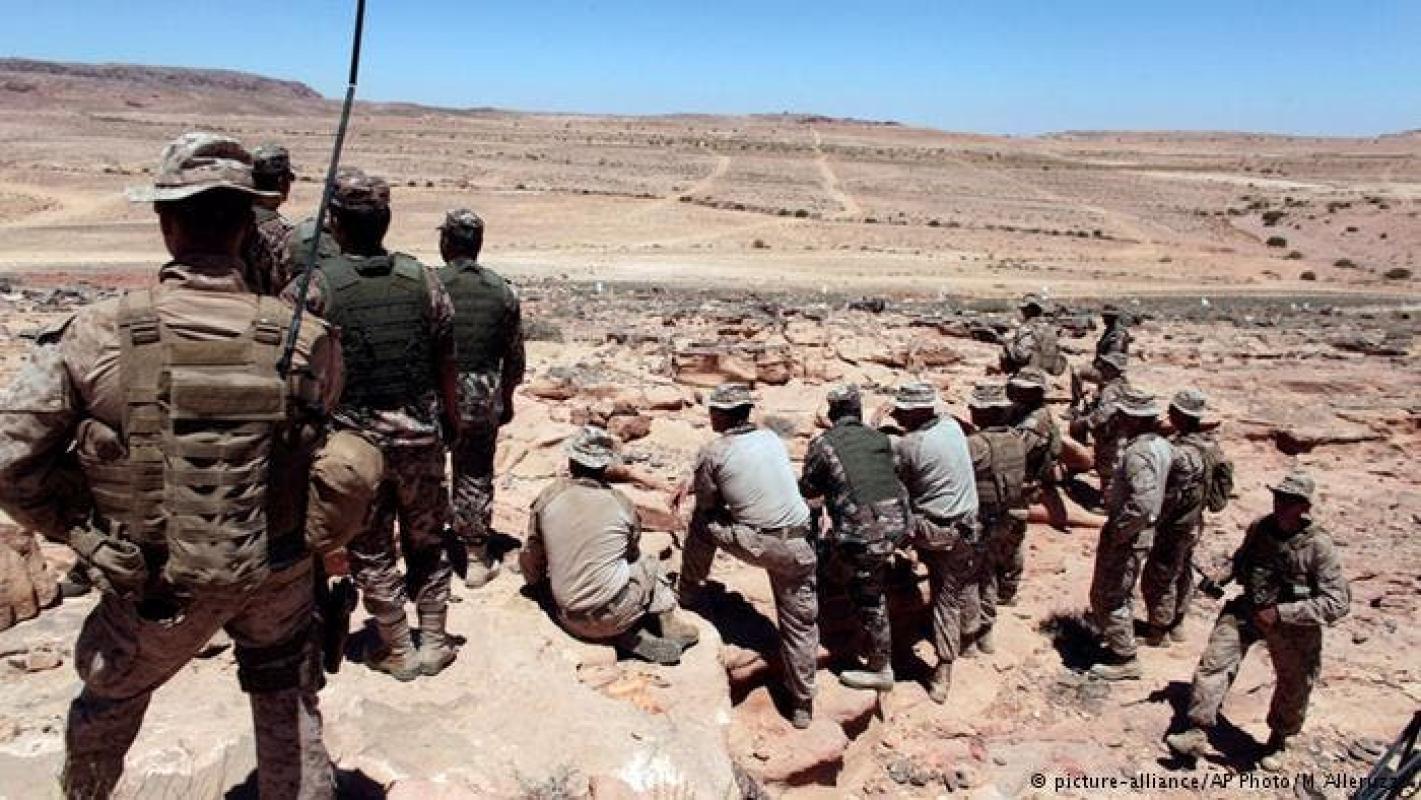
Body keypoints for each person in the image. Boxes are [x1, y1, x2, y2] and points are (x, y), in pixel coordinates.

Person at [0, 132, 349, 799]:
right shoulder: (305, 336)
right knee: (287, 703)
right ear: (248, 226)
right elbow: (316, 438)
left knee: (108, 702)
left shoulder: (95, 333)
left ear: (166, 223)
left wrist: (84, 535)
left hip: (154, 581)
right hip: (274, 569)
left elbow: (11, 464)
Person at [285, 168, 462, 681]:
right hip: (420, 438)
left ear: (335, 223)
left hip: (354, 448)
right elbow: (446, 358)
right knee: (427, 540)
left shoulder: (314, 288)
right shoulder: (423, 279)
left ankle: (396, 646)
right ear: (385, 220)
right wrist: (451, 420)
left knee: (371, 545)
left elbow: (292, 367)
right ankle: (434, 640)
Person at [1166, 471, 1349, 772]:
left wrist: (1282, 613)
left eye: (1290, 501)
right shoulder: (1260, 527)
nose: (1281, 505)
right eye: (1279, 497)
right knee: (1215, 663)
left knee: (1295, 683)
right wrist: (1220, 578)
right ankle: (1197, 731)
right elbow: (1241, 561)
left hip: (1293, 625)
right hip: (1248, 610)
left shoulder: (1319, 546)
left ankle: (1279, 738)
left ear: (1304, 507)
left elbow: (1337, 603)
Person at [677, 383, 818, 728]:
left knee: (701, 522)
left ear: (722, 415)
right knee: (799, 625)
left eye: (713, 410)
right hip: (801, 545)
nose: (710, 415)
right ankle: (802, 705)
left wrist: (700, 489)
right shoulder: (771, 438)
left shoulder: (714, 451)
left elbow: (709, 504)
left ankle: (689, 591)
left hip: (760, 544)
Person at [521, 427, 698, 664]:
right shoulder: (621, 504)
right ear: (605, 466)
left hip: (568, 617)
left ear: (572, 461)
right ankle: (667, 625)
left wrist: (536, 585)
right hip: (615, 613)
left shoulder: (547, 497)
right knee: (647, 563)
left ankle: (623, 636)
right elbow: (631, 552)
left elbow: (533, 551)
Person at [799, 385, 912, 692]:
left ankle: (880, 668)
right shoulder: (879, 438)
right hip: (901, 526)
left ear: (832, 412)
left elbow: (809, 490)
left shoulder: (823, 444)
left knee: (868, 596)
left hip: (865, 537)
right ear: (858, 410)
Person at [435, 208, 526, 589]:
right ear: (479, 244)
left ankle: (429, 552)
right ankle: (474, 558)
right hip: (482, 396)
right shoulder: (502, 290)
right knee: (474, 472)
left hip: (435, 395)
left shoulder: (429, 284)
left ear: (446, 243)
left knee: (427, 472)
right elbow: (515, 358)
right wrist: (506, 397)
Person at [889, 382, 979, 704]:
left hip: (935, 531)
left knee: (943, 597)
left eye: (901, 411)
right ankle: (972, 636)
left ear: (914, 413)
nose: (897, 415)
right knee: (958, 584)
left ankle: (942, 668)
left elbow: (897, 487)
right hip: (969, 524)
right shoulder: (951, 426)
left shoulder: (910, 445)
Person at [1087, 387, 1173, 680]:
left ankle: (1124, 657)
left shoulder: (1138, 453)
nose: (1118, 419)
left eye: (1123, 414)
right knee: (1121, 590)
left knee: (1107, 594)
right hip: (1144, 531)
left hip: (1130, 535)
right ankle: (1118, 639)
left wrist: (1119, 530)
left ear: (1133, 418)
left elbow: (1143, 502)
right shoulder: (1161, 445)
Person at [1141, 389, 1234, 646]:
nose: (1169, 414)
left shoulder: (1180, 452)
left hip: (1175, 524)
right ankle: (1177, 624)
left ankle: (1158, 632)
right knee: (1182, 572)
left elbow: (1171, 494)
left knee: (1160, 576)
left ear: (1181, 415)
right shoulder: (1211, 447)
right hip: (1195, 522)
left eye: (1173, 410)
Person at [964, 383, 1030, 655]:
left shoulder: (976, 444)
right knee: (989, 572)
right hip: (1007, 515)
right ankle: (986, 630)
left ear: (986, 412)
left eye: (975, 408)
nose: (970, 411)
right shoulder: (1016, 438)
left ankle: (968, 637)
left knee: (969, 576)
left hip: (981, 518)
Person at [1069, 351, 1131, 495]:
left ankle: (1108, 501)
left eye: (1106, 365)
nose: (1101, 368)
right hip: (1116, 435)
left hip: (1112, 438)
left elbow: (1103, 415)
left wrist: (1083, 422)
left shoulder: (1112, 390)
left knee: (1110, 471)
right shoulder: (1120, 385)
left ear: (1113, 369)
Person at [1000, 293, 1065, 377]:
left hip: (1032, 373)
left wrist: (1009, 342)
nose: (1019, 312)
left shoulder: (1027, 329)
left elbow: (1021, 355)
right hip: (1050, 370)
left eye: (1022, 310)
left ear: (1028, 311)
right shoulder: (1049, 327)